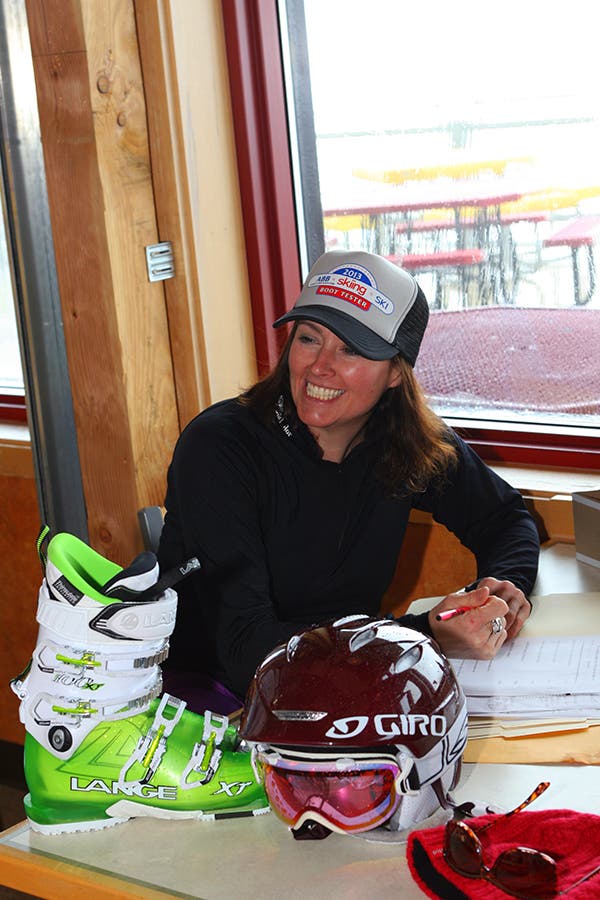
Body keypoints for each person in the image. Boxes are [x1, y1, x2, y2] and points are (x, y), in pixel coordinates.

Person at [157, 249, 540, 712]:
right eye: (308, 338)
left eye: (351, 349)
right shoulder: (220, 447)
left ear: (396, 372)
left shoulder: (407, 441)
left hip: (347, 681)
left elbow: (504, 517)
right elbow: (245, 652)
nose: (319, 366)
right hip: (215, 703)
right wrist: (421, 637)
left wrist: (501, 589)